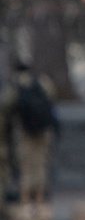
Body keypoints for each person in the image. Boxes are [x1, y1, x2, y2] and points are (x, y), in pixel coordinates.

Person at [2, 61, 58, 204]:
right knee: (40, 165)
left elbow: (6, 105)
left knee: (26, 167)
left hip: (25, 132)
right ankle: (39, 200)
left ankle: (25, 202)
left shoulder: (16, 83)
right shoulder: (42, 81)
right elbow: (52, 100)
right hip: (44, 132)